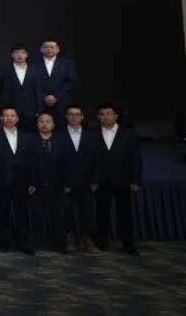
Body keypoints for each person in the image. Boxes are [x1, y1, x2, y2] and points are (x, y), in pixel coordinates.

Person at [91, 102, 141, 256]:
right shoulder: (92, 133)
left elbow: (136, 159)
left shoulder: (128, 134)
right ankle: (102, 242)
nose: (106, 117)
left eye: (109, 113)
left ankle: (128, 244)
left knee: (125, 214)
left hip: (123, 180)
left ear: (116, 116)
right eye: (102, 114)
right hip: (101, 180)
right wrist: (93, 180)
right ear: (98, 117)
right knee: (101, 213)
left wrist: (135, 180)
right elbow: (90, 159)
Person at [0, 106, 38, 254]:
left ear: (17, 118)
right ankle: (4, 242)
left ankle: (22, 242)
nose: (9, 118)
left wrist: (33, 181)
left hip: (22, 182)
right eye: (6, 116)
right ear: (1, 119)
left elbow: (32, 161)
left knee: (21, 213)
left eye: (12, 116)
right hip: (2, 182)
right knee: (3, 213)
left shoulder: (27, 137)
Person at [33, 112, 70, 254]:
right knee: (38, 215)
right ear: (37, 124)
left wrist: (67, 183)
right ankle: (38, 242)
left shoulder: (62, 141)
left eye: (48, 122)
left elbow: (68, 164)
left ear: (53, 125)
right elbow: (28, 165)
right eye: (41, 121)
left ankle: (60, 244)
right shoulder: (31, 141)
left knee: (58, 216)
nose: (44, 124)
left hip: (57, 185)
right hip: (37, 185)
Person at [62, 104, 97, 252]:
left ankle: (87, 238)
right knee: (67, 211)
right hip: (66, 182)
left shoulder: (91, 136)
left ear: (82, 117)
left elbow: (97, 160)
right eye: (71, 114)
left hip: (87, 181)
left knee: (87, 211)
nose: (74, 117)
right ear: (66, 117)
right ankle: (70, 239)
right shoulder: (59, 135)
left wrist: (95, 180)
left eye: (77, 114)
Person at [33, 39, 78, 123]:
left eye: (52, 47)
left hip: (61, 103)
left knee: (61, 127)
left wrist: (56, 96)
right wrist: (43, 97)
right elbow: (31, 83)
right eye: (46, 47)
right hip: (40, 103)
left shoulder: (67, 63)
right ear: (41, 49)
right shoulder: (33, 64)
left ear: (58, 49)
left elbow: (71, 82)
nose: (49, 49)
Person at [7, 44, 40, 132]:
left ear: (27, 55)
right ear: (12, 55)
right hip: (12, 110)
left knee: (31, 136)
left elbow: (39, 91)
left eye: (22, 52)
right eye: (16, 52)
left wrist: (39, 110)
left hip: (31, 110)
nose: (20, 55)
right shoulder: (6, 70)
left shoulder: (35, 70)